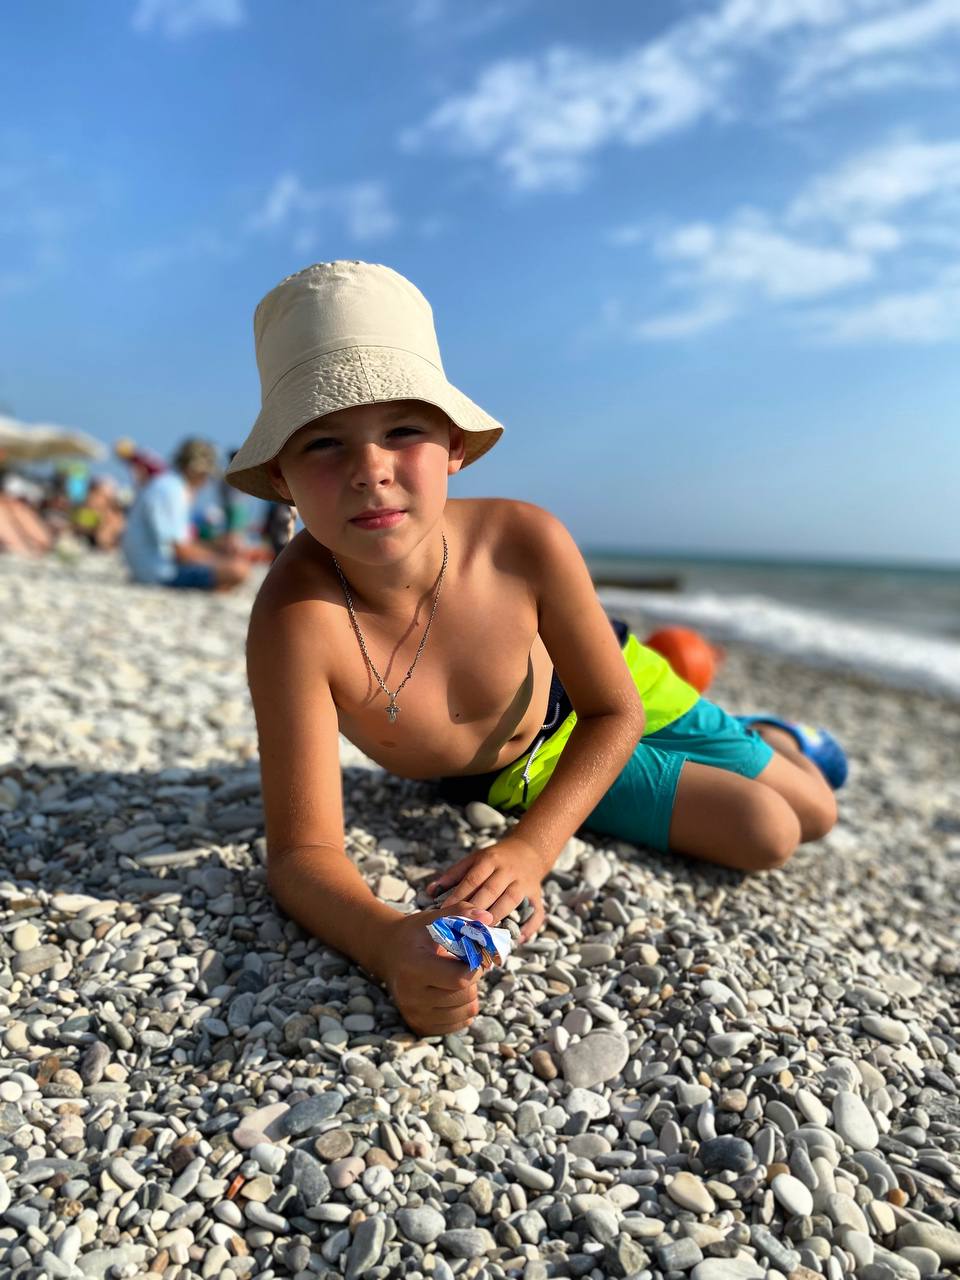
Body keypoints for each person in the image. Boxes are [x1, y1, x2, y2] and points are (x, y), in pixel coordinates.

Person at [226, 261, 845, 1038]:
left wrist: (532, 849)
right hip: (526, 764)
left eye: (403, 431)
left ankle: (773, 736)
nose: (370, 471)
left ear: (454, 444)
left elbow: (613, 709)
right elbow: (302, 854)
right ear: (281, 476)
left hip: (613, 688)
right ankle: (755, 748)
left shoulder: (522, 539)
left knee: (818, 808)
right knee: (772, 831)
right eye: (323, 443)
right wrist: (388, 942)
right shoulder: (294, 622)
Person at [122, 437, 249, 591]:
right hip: (159, 572)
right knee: (238, 570)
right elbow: (181, 551)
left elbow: (179, 544)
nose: (205, 483)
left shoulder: (166, 485)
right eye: (205, 476)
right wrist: (221, 558)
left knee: (229, 568)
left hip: (147, 567)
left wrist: (218, 548)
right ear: (194, 471)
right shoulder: (172, 492)